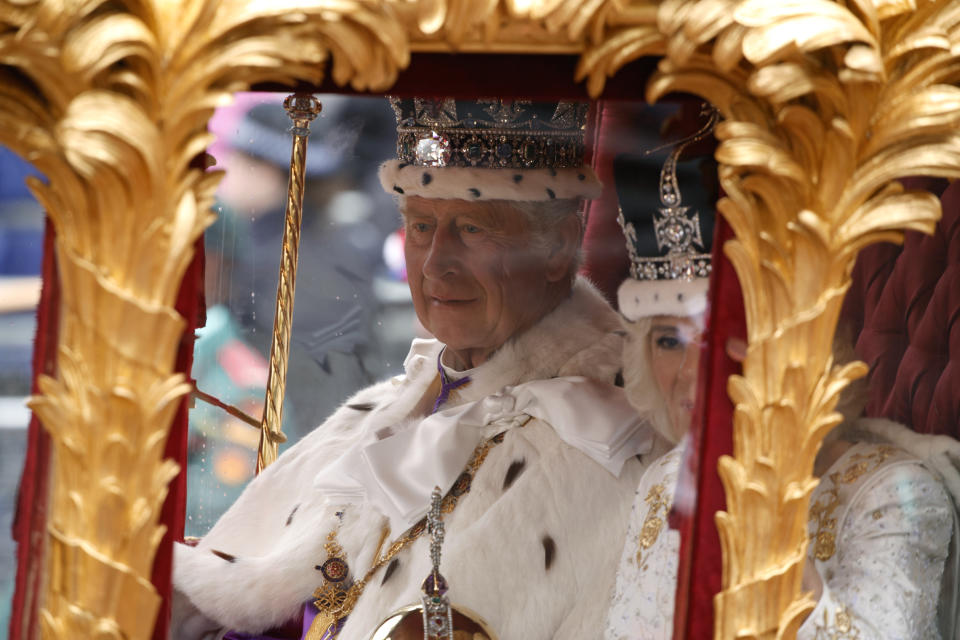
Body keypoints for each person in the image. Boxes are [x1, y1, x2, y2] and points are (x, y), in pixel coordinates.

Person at [172, 97, 657, 640]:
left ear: (557, 246)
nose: (434, 264)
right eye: (422, 227)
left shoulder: (604, 446)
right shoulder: (385, 408)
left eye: (472, 229)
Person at [602, 114, 960, 640]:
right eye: (668, 340)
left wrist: (762, 496)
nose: (694, 376)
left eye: (725, 341)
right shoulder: (664, 481)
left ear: (800, 347)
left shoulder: (894, 494)